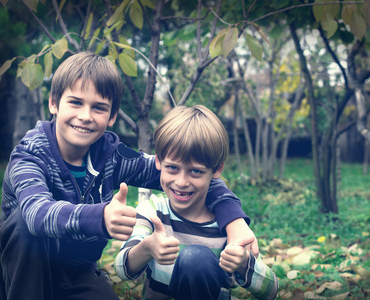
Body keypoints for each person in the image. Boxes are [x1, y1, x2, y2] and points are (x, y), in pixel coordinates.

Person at [0, 53, 257, 300]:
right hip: (13, 273)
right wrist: (100, 216)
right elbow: (37, 215)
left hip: (75, 273)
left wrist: (235, 223)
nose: (85, 116)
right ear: (54, 103)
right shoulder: (30, 155)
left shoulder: (112, 156)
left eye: (99, 107)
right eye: (75, 102)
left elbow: (184, 171)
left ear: (112, 115)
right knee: (23, 223)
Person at [115, 105, 278, 300]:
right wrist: (147, 247)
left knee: (195, 259)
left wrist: (244, 263)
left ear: (216, 170)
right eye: (173, 168)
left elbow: (272, 291)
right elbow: (122, 269)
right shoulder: (152, 211)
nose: (182, 182)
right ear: (158, 162)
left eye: (196, 171)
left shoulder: (228, 226)